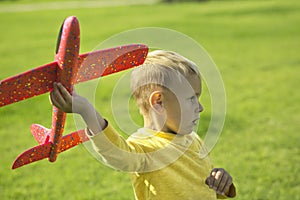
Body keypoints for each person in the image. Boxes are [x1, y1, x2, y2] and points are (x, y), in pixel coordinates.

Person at [50, 50, 236, 199]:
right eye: (191, 99)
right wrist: (86, 111)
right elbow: (117, 154)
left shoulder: (192, 139)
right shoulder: (146, 148)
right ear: (159, 102)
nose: (201, 108)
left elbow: (202, 187)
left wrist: (221, 185)